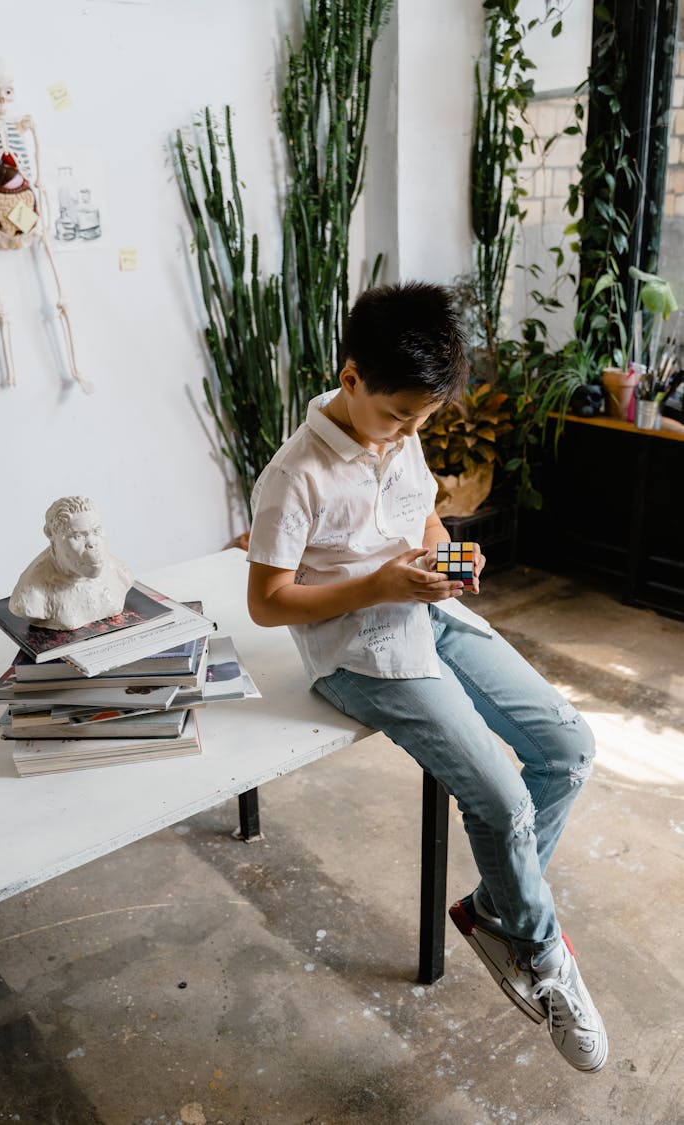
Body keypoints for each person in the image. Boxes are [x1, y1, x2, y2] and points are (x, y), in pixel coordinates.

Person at [245, 281, 607, 1073]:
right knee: (504, 799)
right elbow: (267, 603)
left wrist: (453, 555)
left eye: (422, 420)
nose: (408, 433)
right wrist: (378, 586)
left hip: (427, 609)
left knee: (570, 746)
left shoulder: (400, 429)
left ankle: (495, 912)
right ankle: (543, 954)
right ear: (350, 379)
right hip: (356, 650)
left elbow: (425, 516)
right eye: (399, 416)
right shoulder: (292, 477)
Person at [9, 496, 133, 630]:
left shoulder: (120, 572)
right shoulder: (31, 593)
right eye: (77, 536)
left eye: (96, 531)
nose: (92, 544)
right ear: (52, 535)